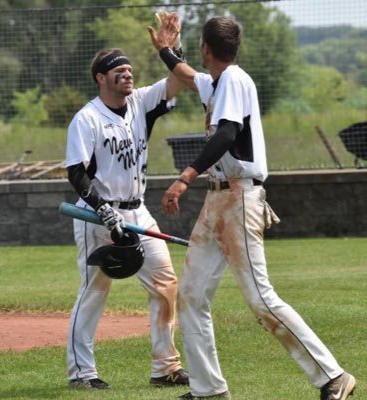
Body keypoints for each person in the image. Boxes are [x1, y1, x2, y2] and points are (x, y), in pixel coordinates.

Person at [148, 14, 357, 400]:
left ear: (207, 48)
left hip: (239, 198)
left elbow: (227, 133)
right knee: (191, 295)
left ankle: (333, 376)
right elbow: (190, 76)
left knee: (261, 299)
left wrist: (184, 176)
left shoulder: (234, 81)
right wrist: (165, 50)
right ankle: (208, 389)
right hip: (218, 199)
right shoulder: (220, 80)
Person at [64, 15, 190, 390]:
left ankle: (165, 367)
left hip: (137, 210)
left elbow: (181, 80)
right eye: (117, 70)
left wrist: (170, 50)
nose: (126, 74)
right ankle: (81, 373)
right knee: (94, 291)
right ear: (100, 78)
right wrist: (103, 212)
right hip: (96, 214)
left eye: (129, 69)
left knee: (166, 283)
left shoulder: (141, 102)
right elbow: (77, 172)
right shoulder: (87, 119)